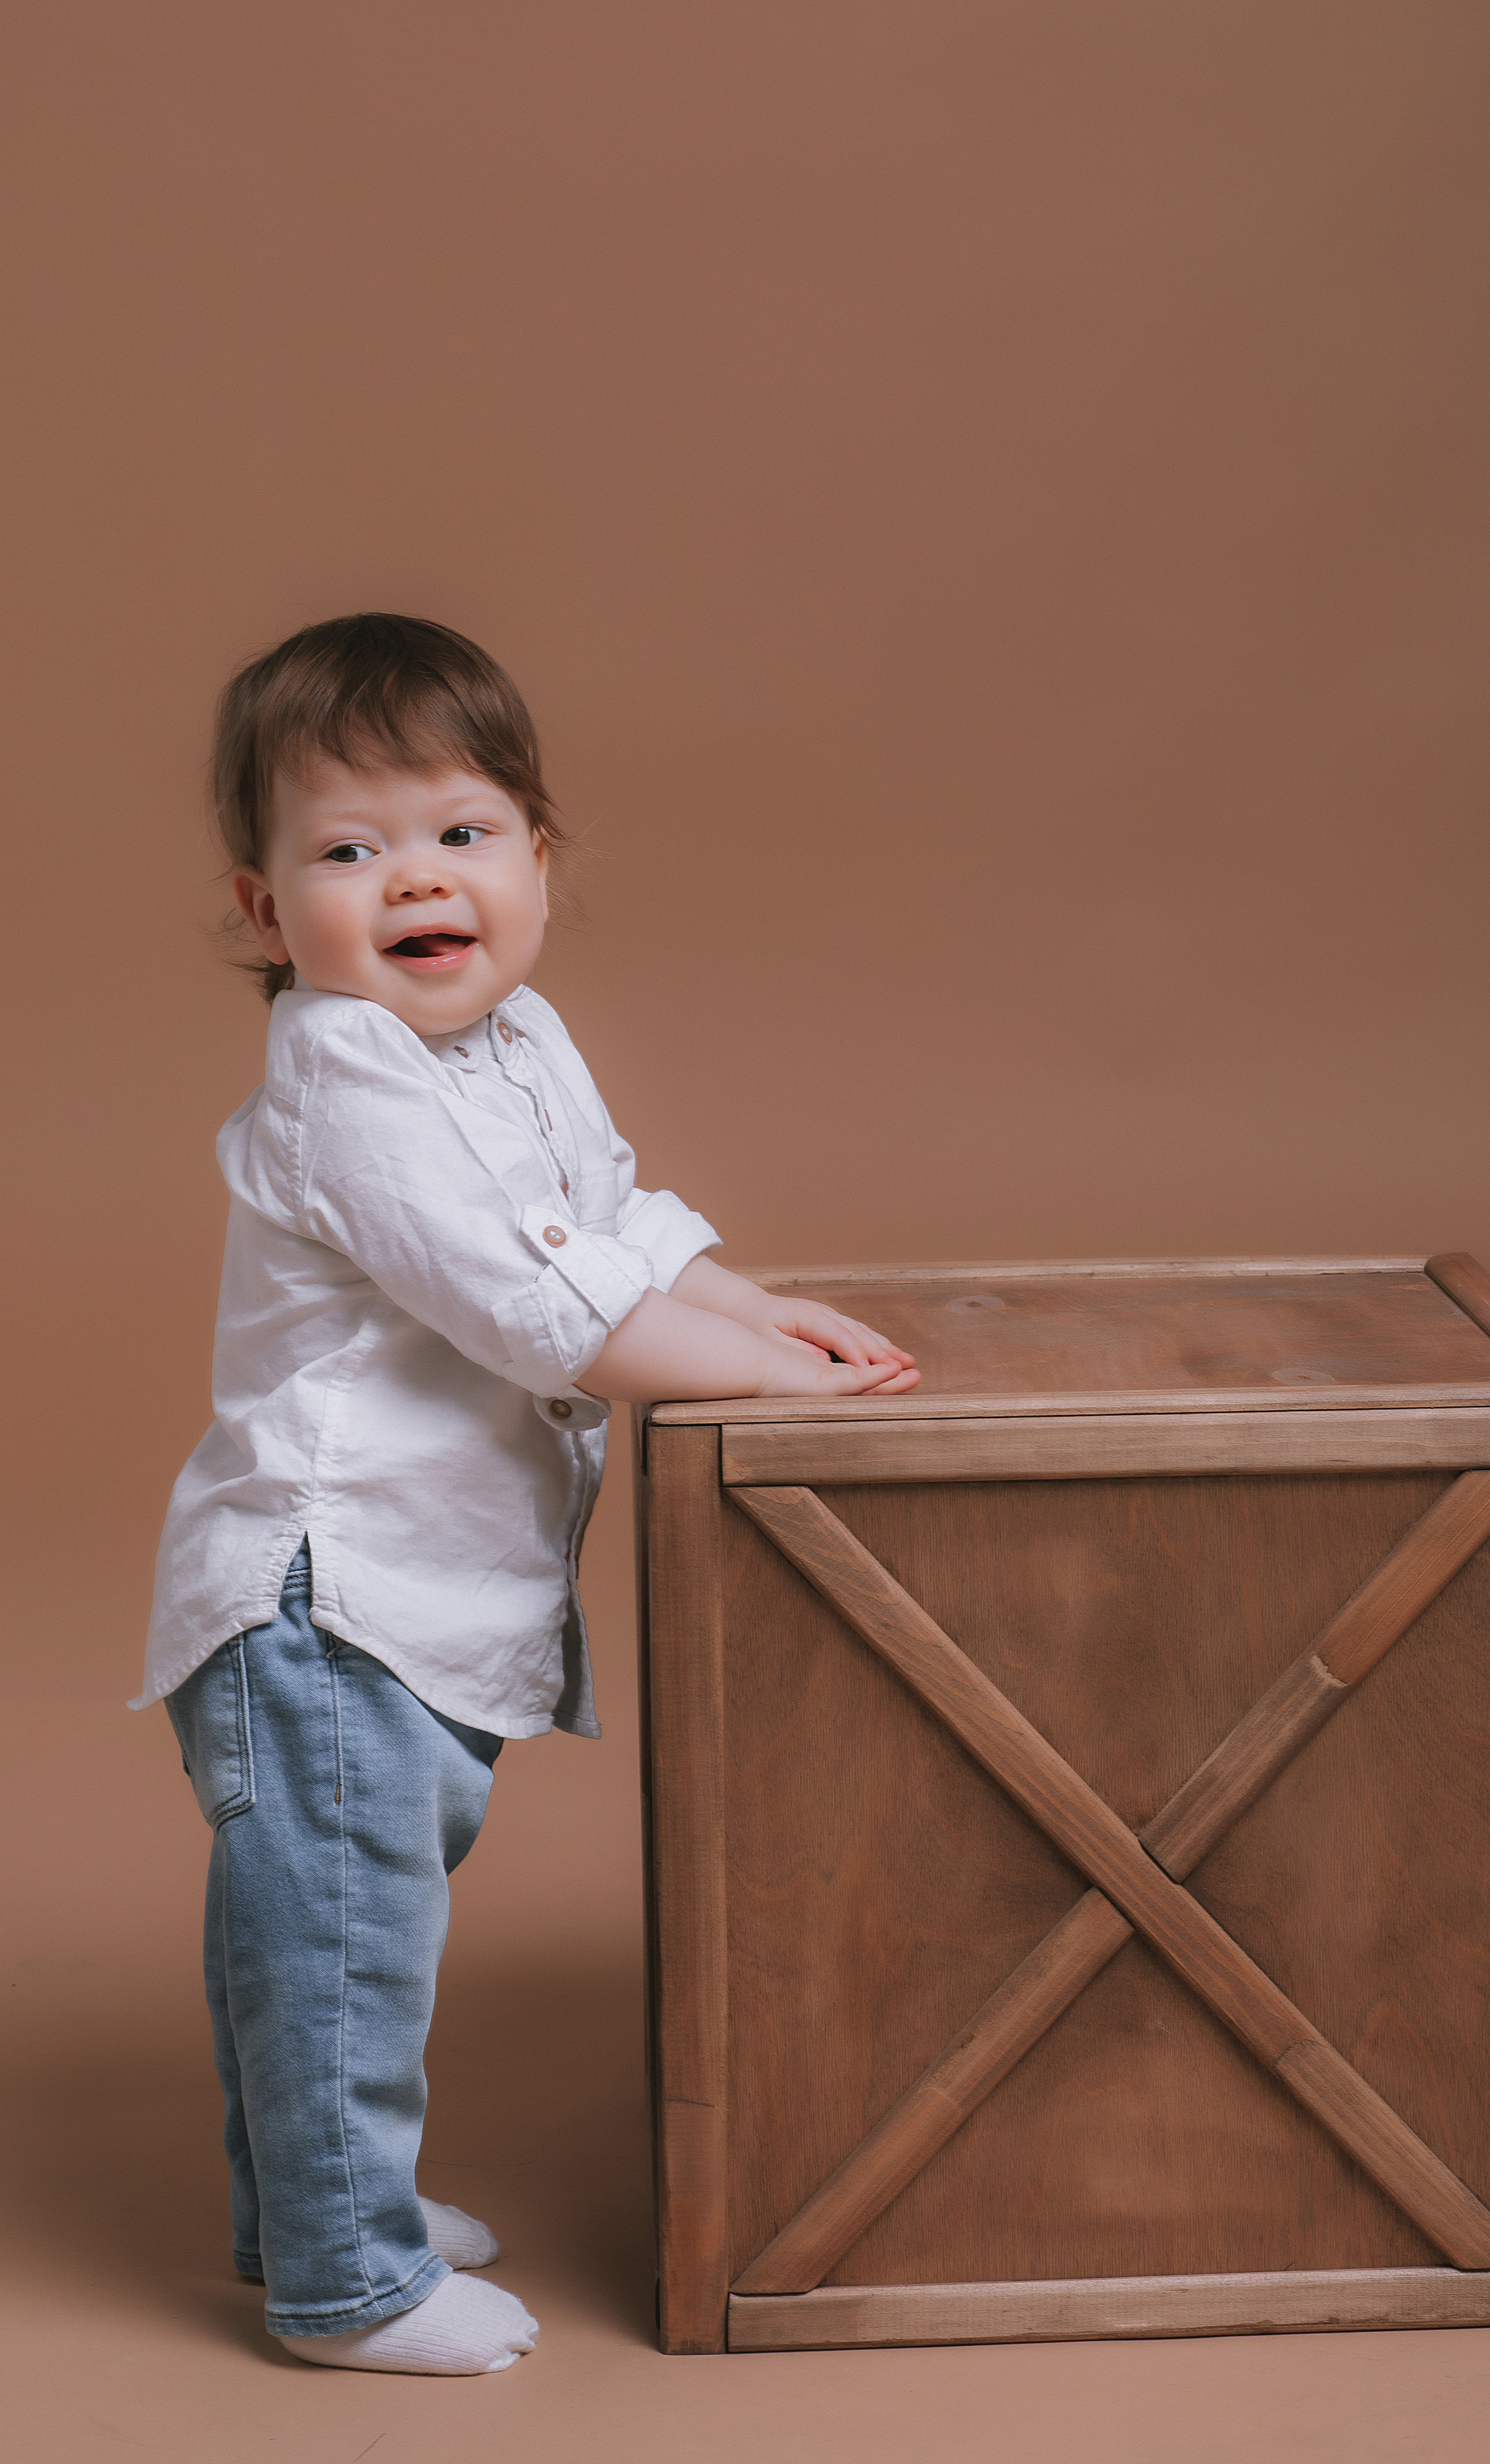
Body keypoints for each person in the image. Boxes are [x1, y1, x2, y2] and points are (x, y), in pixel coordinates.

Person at [133, 613, 918, 2374]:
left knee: (318, 1932)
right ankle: (352, 2280)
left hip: (415, 1601)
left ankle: (306, 2211)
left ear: (539, 862)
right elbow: (529, 1306)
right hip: (326, 1603)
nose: (414, 878)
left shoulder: (517, 1043)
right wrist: (749, 1375)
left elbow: (604, 1225)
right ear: (269, 915)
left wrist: (744, 1302)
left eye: (461, 834)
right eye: (348, 851)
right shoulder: (346, 1081)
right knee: (340, 1947)